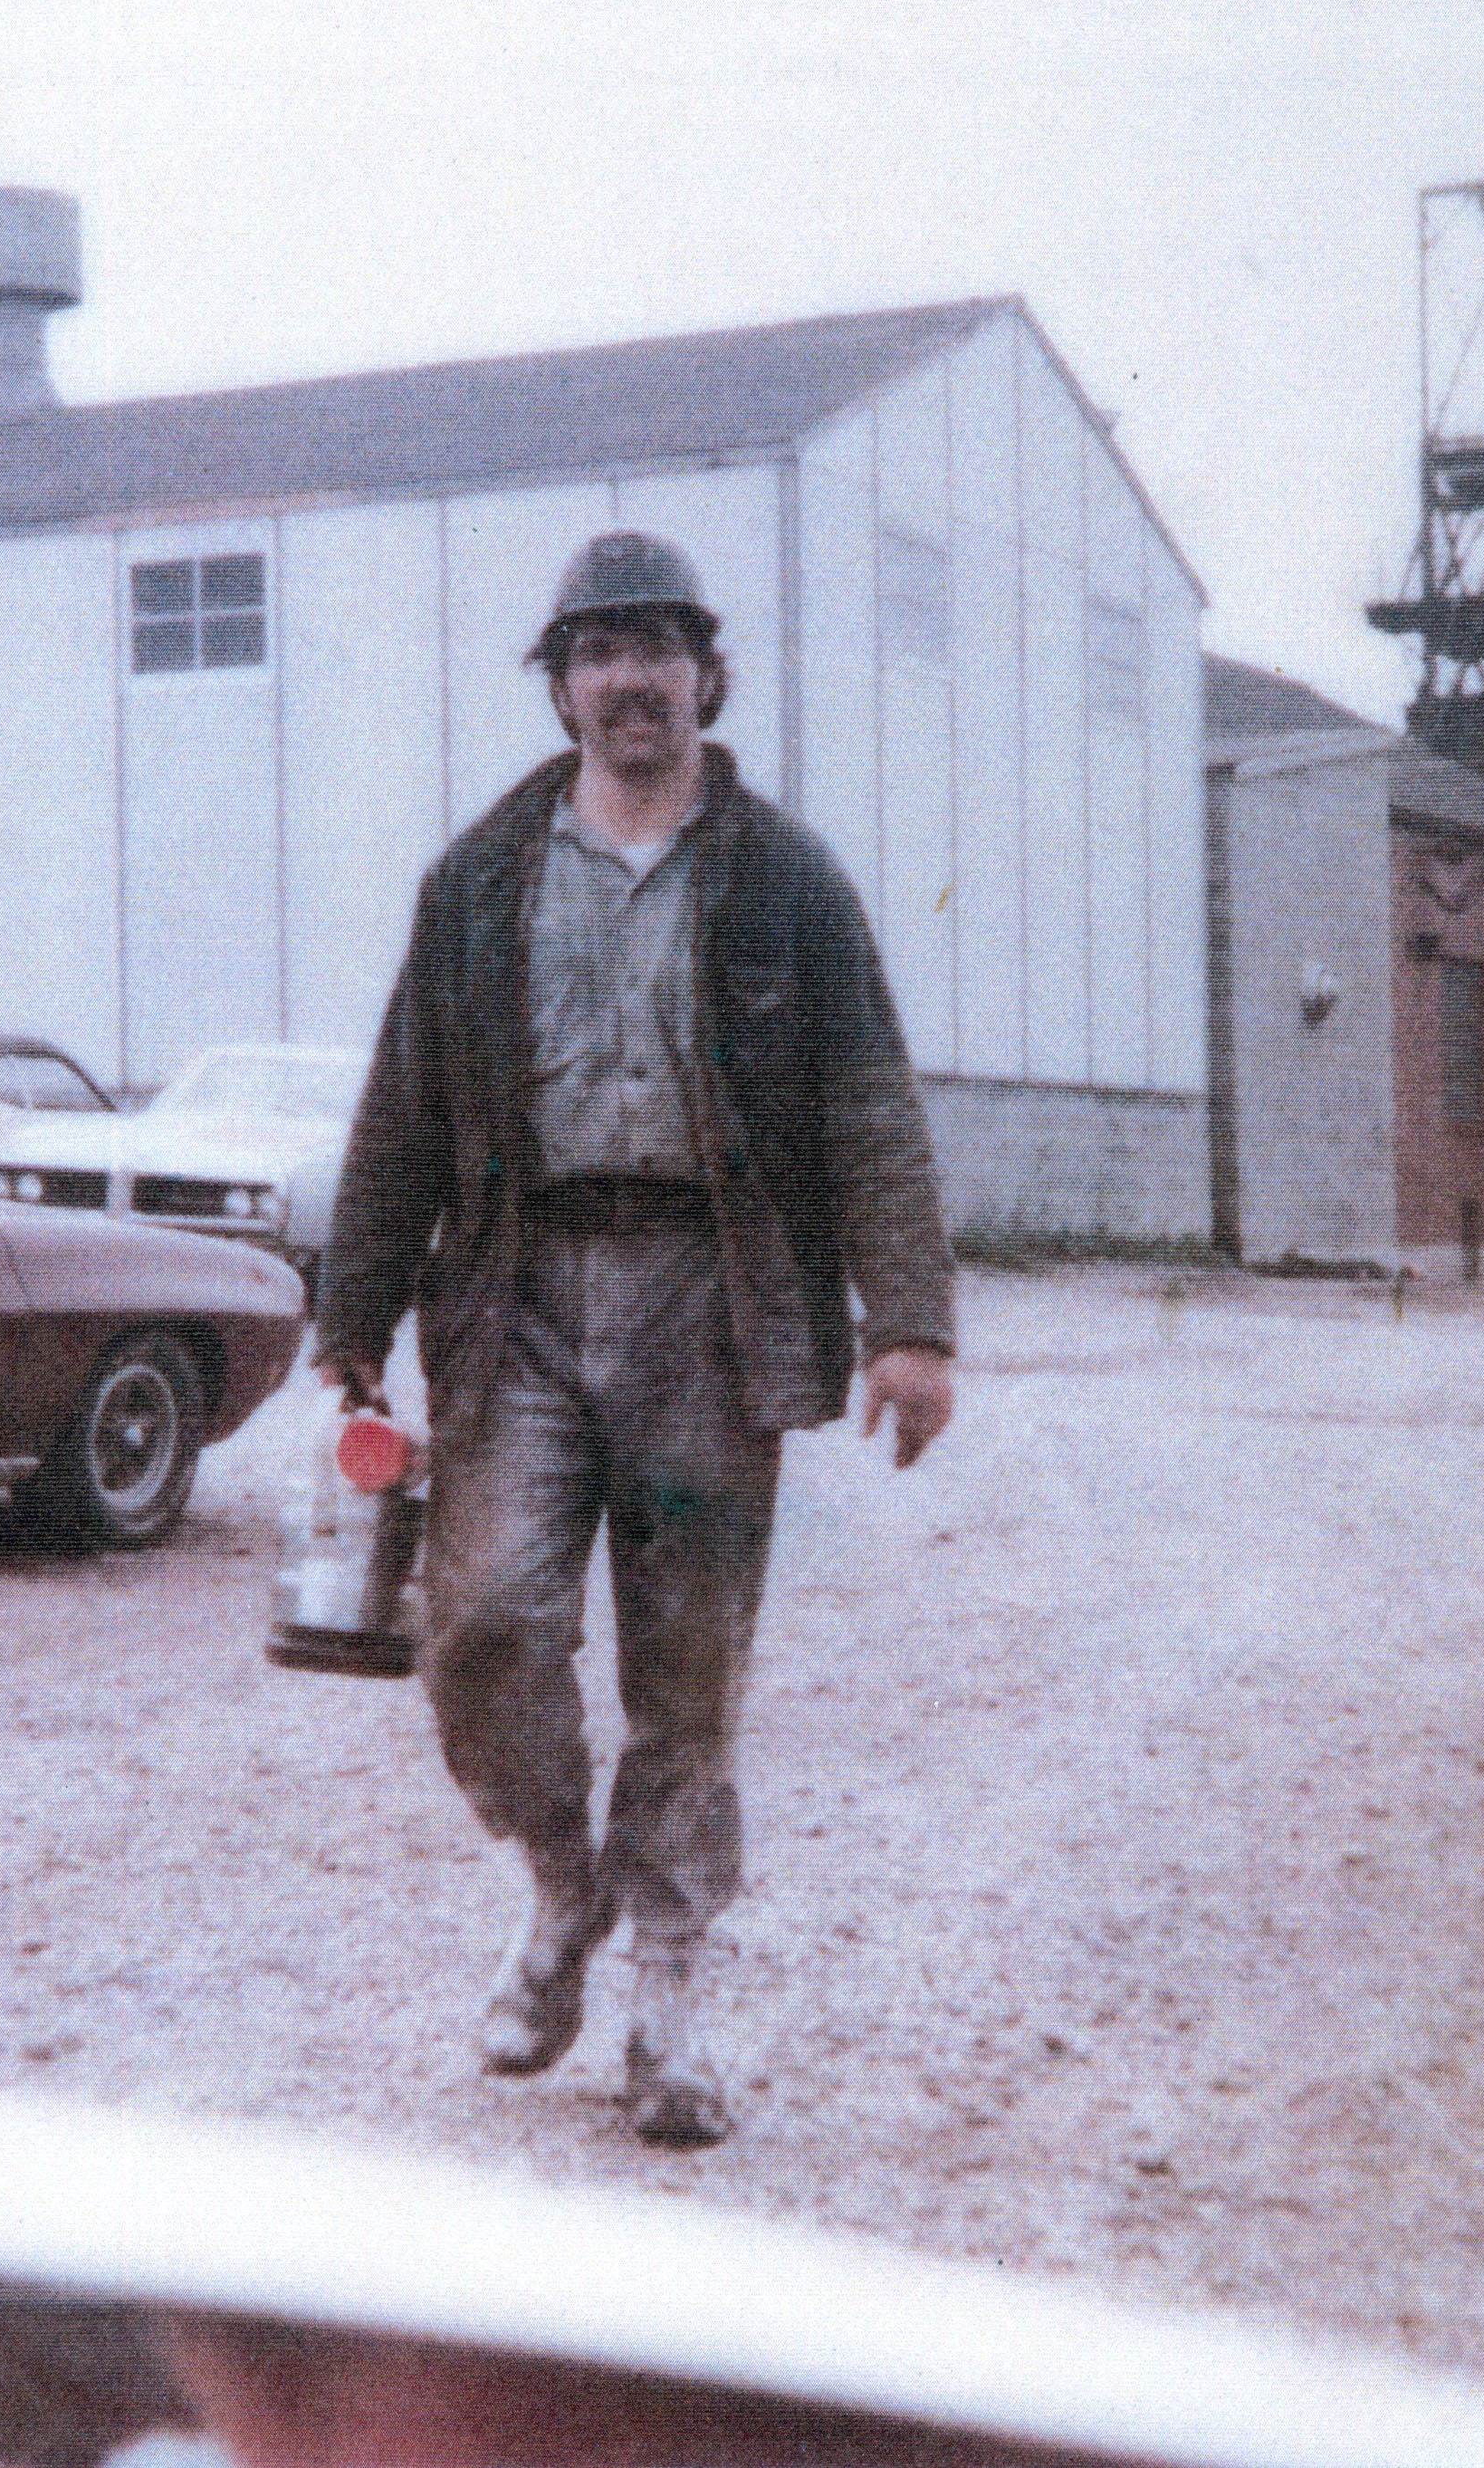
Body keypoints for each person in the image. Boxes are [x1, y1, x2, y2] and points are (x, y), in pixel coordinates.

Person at [312, 528, 955, 2148]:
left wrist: (909, 1323)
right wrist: (354, 1314)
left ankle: (668, 1999)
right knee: (482, 1625)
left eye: (656, 649)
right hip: (518, 1298)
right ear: (561, 690)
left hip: (707, 1305)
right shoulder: (478, 879)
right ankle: (561, 1886)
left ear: (706, 675)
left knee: (688, 1673)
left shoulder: (787, 878)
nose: (629, 681)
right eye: (596, 654)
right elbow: (403, 1106)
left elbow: (869, 1102)